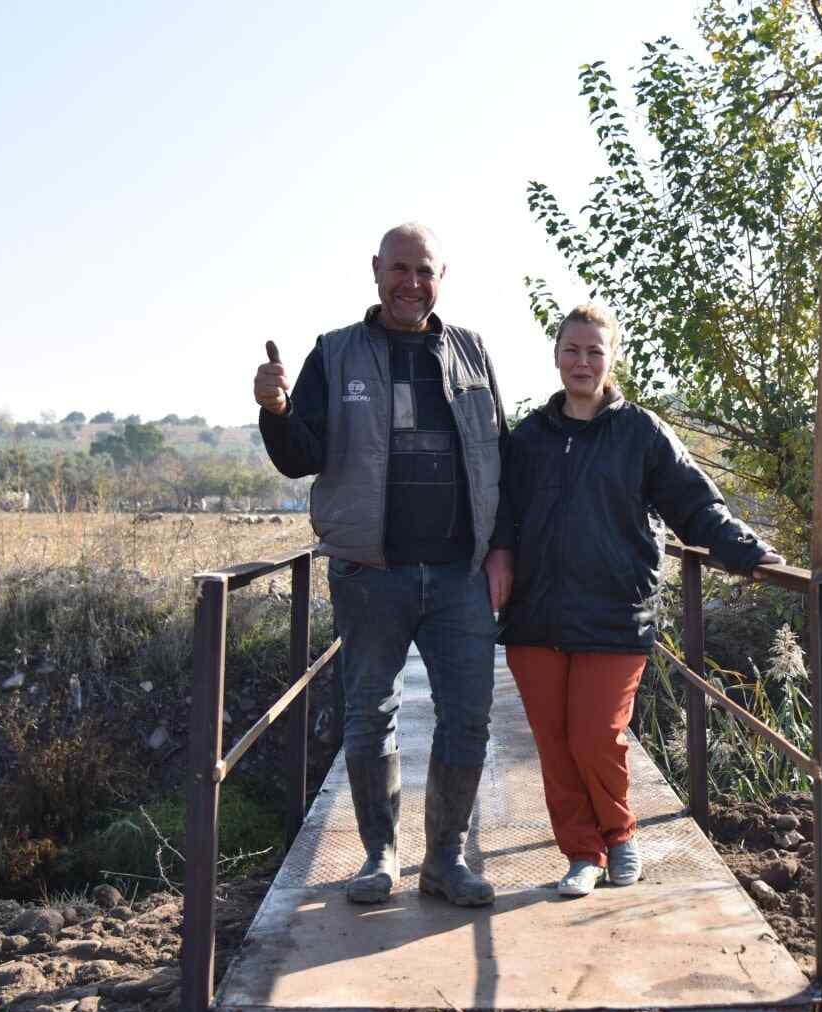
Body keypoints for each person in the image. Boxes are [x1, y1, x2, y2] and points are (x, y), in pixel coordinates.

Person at [253, 222, 514, 908]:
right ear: (376, 270)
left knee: (470, 716)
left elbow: (501, 458)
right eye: (400, 269)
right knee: (369, 715)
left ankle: (446, 861)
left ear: (441, 276)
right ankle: (380, 856)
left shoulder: (471, 351)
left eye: (424, 271)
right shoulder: (336, 354)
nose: (411, 282)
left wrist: (503, 551)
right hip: (372, 573)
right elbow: (299, 454)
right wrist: (276, 409)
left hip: (460, 573)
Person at [497, 303, 781, 897]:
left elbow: (693, 504)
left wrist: (743, 548)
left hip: (614, 613)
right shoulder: (527, 438)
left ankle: (621, 838)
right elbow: (498, 515)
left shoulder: (640, 432)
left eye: (594, 351)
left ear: (612, 359)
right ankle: (582, 854)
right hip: (536, 616)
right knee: (554, 744)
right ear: (555, 357)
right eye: (571, 350)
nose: (582, 362)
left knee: (597, 735)